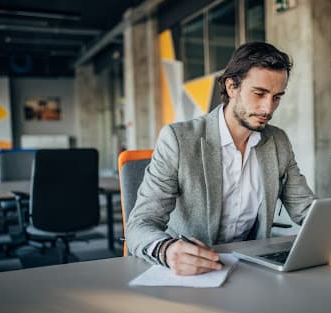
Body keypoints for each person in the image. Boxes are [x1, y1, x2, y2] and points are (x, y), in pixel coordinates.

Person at [126, 42, 314, 275]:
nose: (268, 108)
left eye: (277, 97)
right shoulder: (178, 139)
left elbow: (305, 208)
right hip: (189, 272)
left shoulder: (277, 141)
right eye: (259, 94)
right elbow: (139, 224)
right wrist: (167, 250)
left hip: (250, 270)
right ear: (232, 86)